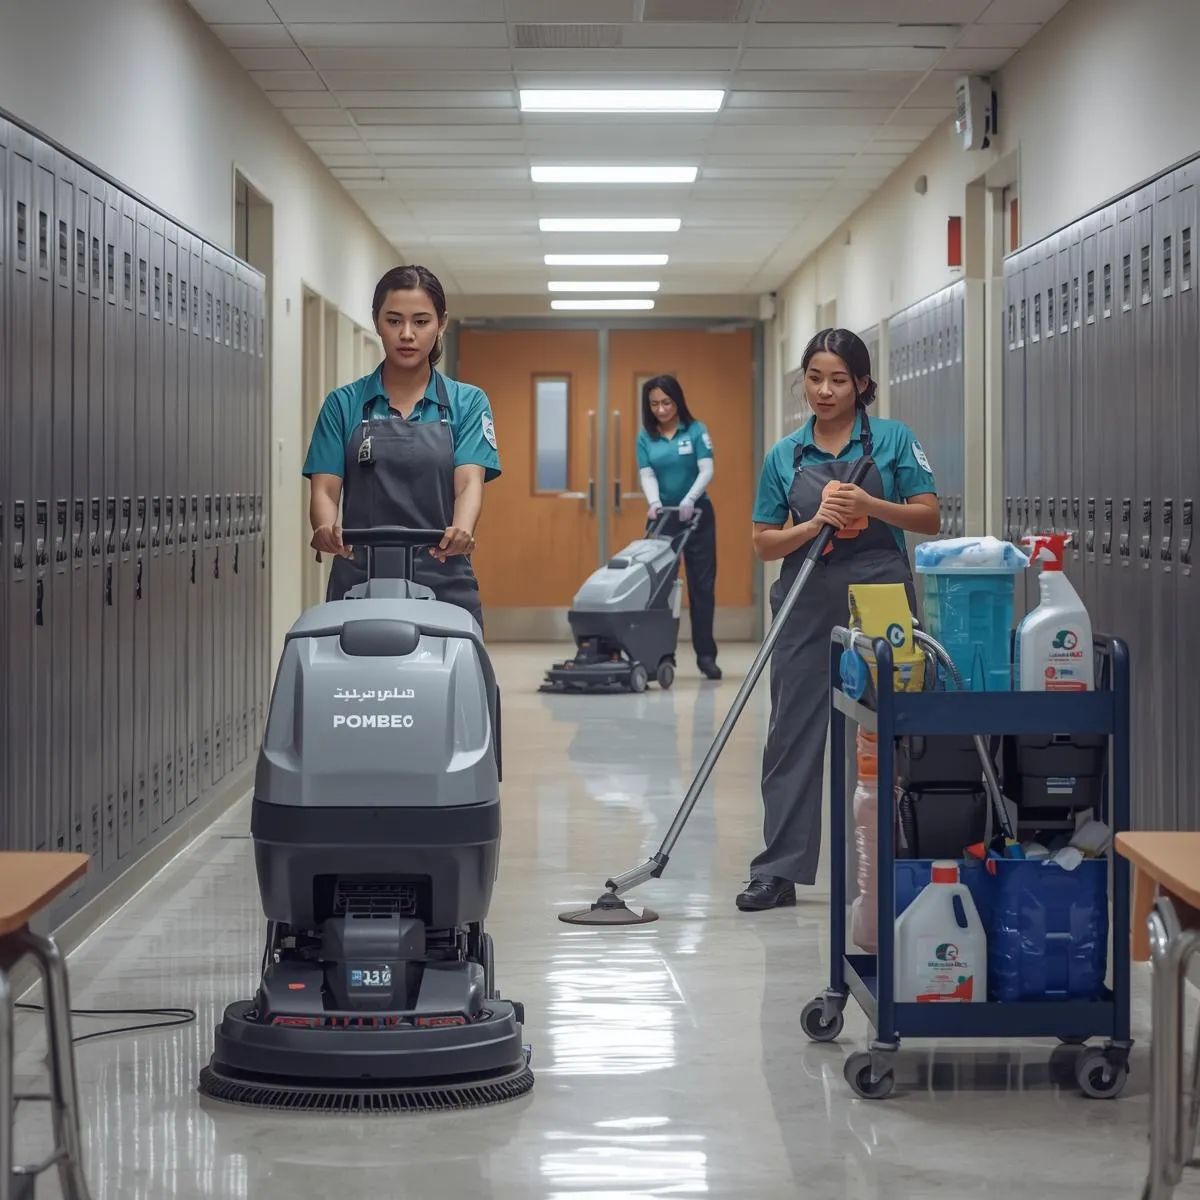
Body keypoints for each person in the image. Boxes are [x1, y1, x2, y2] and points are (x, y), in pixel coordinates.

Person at [737, 329, 940, 912]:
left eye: (839, 379)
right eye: (815, 377)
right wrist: (814, 525)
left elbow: (928, 518)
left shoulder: (895, 440)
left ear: (862, 385)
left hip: (880, 592)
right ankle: (777, 870)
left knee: (885, 730)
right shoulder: (786, 455)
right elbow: (762, 544)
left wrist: (870, 506)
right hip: (807, 594)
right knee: (792, 732)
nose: (824, 390)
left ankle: (889, 864)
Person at [302, 265, 500, 630]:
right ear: (376, 322)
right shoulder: (343, 404)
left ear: (441, 323)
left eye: (421, 322)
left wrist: (462, 528)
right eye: (394, 321)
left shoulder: (467, 403)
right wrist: (326, 526)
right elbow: (324, 489)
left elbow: (469, 481)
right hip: (359, 582)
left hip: (444, 575)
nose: (407, 334)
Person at [636, 375, 721, 680]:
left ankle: (706, 656)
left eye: (666, 402)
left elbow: (706, 469)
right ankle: (661, 654)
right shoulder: (647, 436)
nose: (661, 409)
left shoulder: (696, 431)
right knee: (660, 588)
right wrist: (655, 501)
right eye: (655, 403)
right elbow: (647, 474)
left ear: (678, 400)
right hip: (663, 516)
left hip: (697, 514)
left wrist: (690, 498)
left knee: (701, 586)